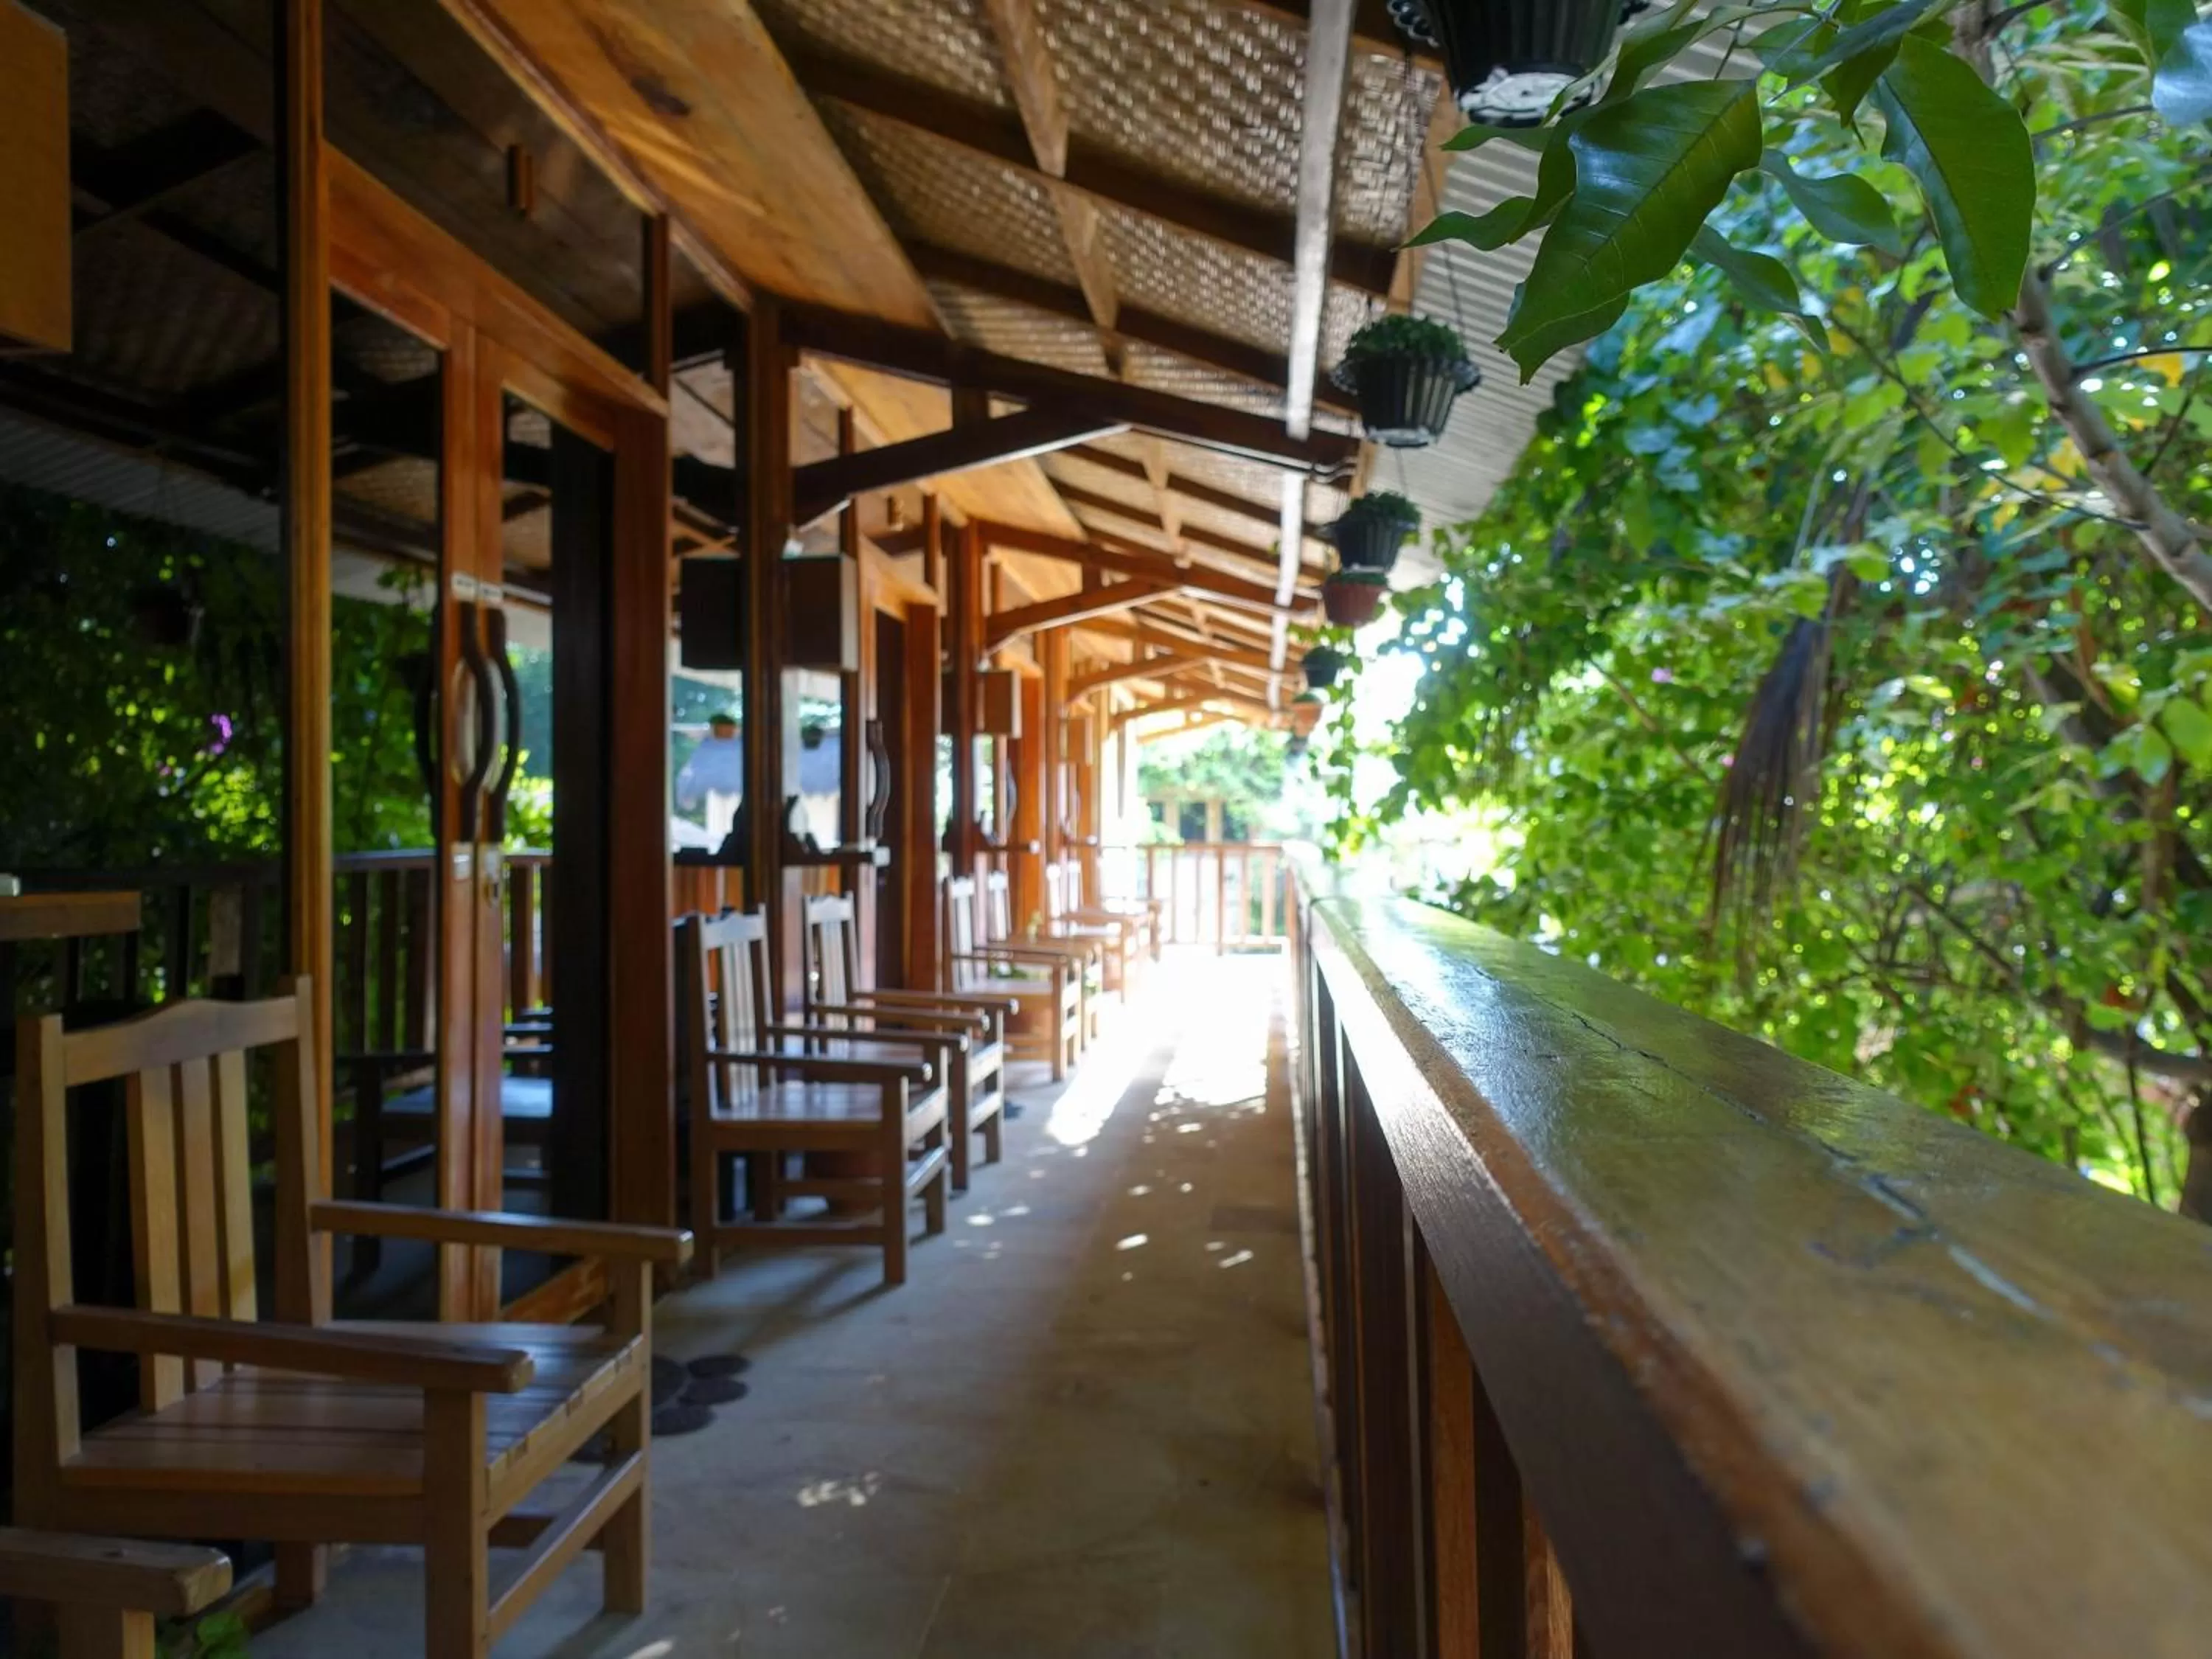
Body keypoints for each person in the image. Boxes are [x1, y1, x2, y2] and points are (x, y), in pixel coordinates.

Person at [676, 712, 743, 844]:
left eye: (728, 730)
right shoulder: (706, 749)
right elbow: (693, 772)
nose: (725, 734)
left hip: (738, 798)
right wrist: (687, 795)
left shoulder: (741, 747)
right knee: (717, 837)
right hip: (715, 797)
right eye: (720, 730)